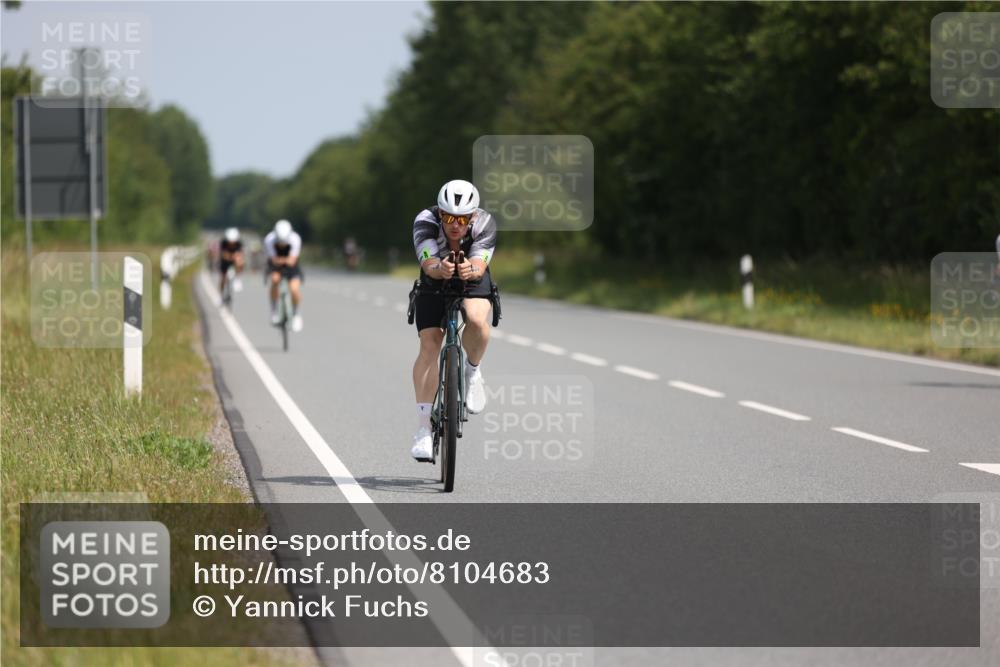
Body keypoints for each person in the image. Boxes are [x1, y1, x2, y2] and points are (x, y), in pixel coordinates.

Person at [410, 179, 497, 461]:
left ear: (473, 215)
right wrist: (440, 268)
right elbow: (428, 263)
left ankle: (472, 371)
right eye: (448, 217)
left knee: (477, 320)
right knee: (429, 344)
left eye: (462, 219)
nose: (455, 225)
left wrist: (470, 269)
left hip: (472, 276)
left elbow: (480, 265)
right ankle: (423, 429)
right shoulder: (425, 221)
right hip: (435, 276)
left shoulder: (485, 223)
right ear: (440, 213)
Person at [264, 219, 304, 332]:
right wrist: (283, 260)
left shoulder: (295, 239)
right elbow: (273, 259)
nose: (282, 244)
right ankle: (274, 311)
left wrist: (282, 260)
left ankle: (296, 314)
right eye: (280, 242)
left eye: (284, 242)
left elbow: (292, 260)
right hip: (275, 265)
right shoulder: (269, 239)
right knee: (275, 280)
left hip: (291, 266)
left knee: (294, 289)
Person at [218, 227, 244, 297]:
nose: (232, 243)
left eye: (233, 241)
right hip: (225, 261)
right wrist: (231, 256)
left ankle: (237, 278)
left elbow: (240, 254)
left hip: (234, 260)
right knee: (223, 279)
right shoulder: (223, 243)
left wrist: (237, 258)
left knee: (240, 261)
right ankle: (221, 294)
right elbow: (224, 255)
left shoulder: (239, 243)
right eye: (230, 241)